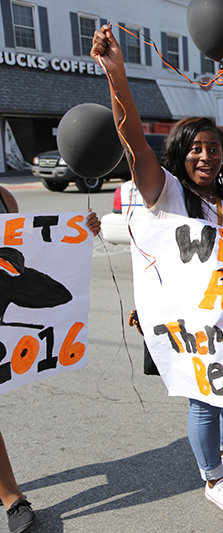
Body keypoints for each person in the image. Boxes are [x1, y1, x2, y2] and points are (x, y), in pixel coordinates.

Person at [91, 26, 223, 515]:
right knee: (205, 400)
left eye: (214, 148)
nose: (206, 156)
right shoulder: (164, 192)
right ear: (180, 154)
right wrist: (116, 76)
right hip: (191, 320)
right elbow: (132, 139)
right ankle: (212, 480)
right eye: (196, 148)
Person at [0, 184, 100, 533]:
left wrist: (78, 231)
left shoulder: (4, 197)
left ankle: (12, 499)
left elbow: (30, 248)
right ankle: (11, 497)